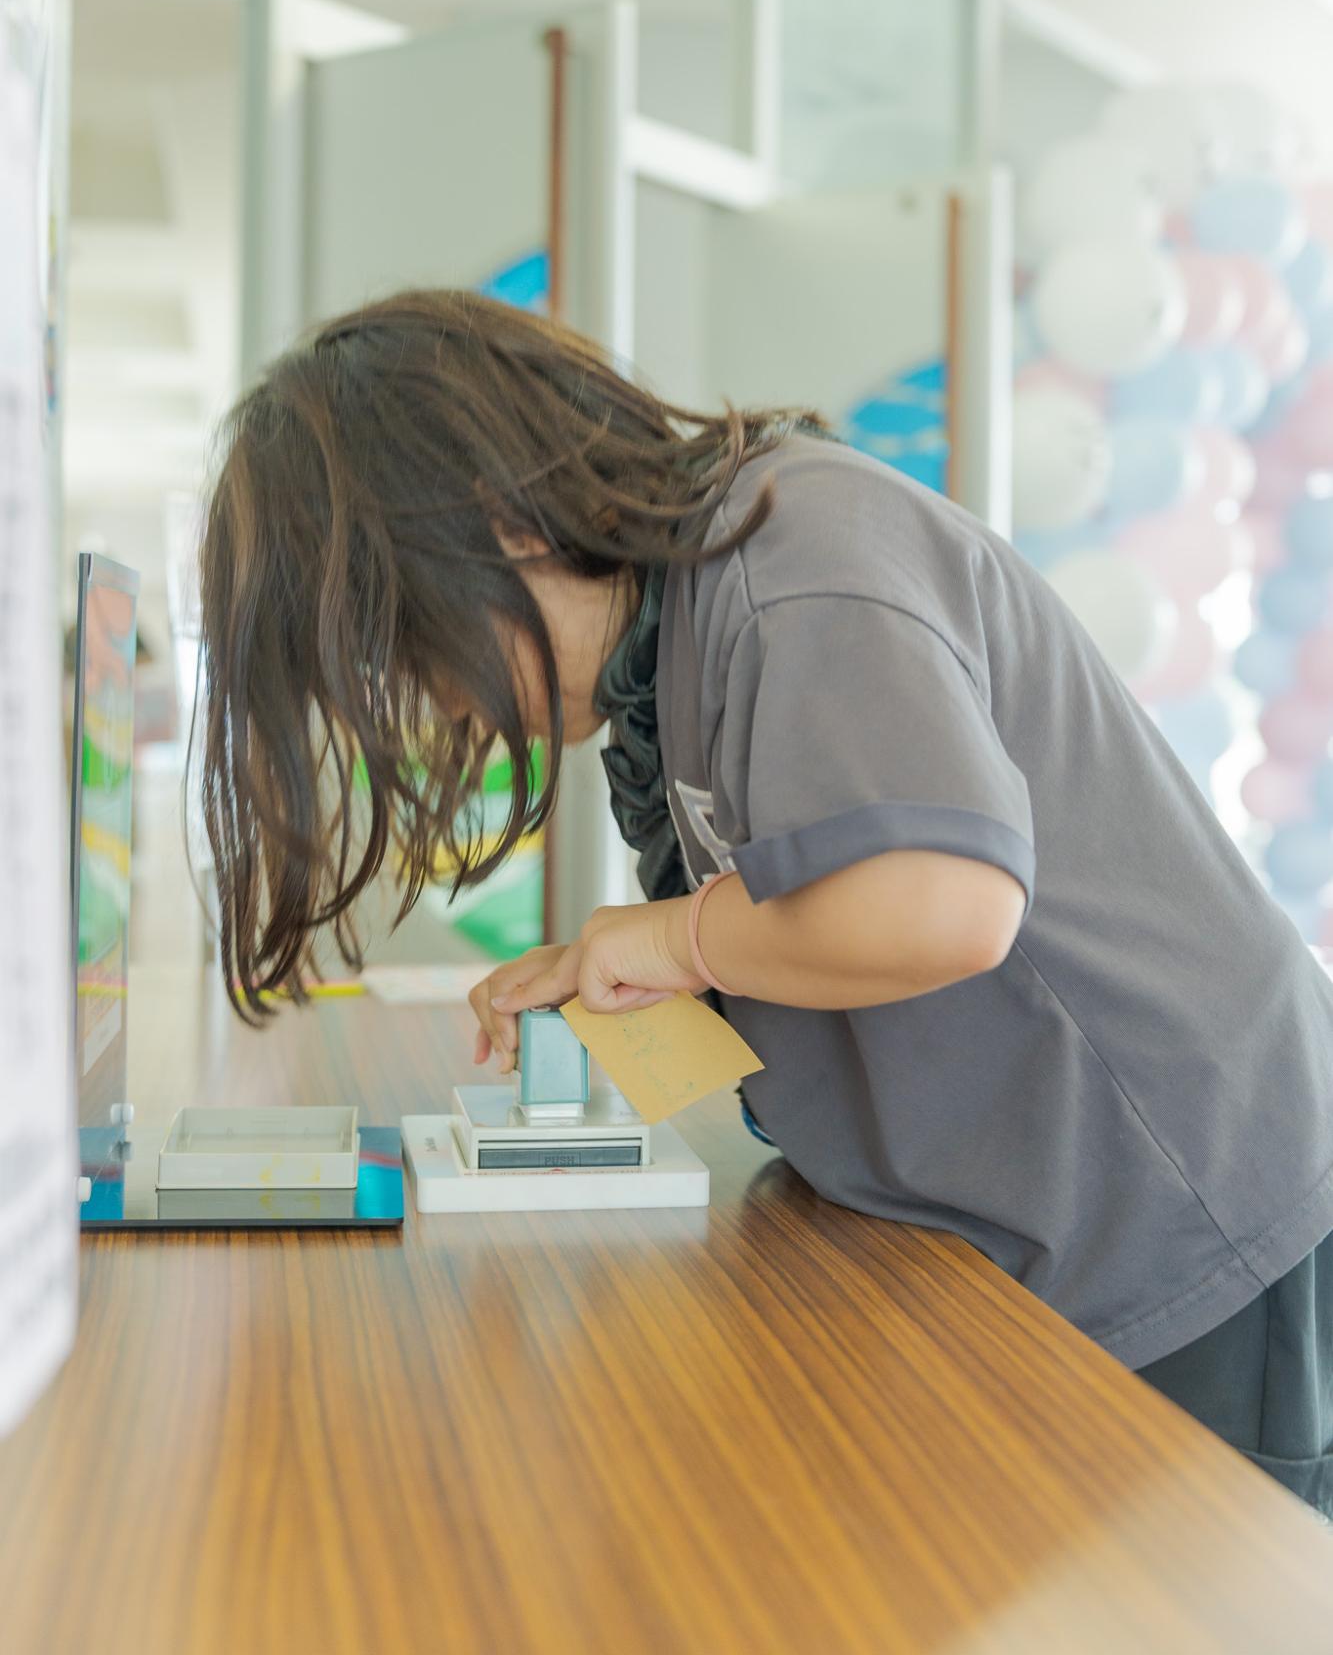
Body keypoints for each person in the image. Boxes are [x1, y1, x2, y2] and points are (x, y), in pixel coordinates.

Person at [197, 288, 1333, 1515]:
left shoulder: (793, 556)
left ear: (490, 519)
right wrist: (612, 969)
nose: (444, 705)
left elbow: (946, 907)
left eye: (408, 646)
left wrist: (675, 934)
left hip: (1185, 1204)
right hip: (1017, 1232)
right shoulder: (660, 663)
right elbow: (787, 951)